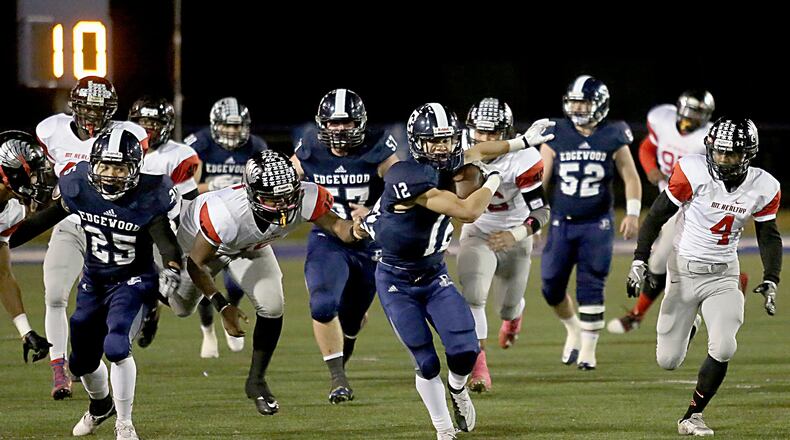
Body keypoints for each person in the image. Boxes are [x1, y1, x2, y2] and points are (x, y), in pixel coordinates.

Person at [363, 102, 553, 439]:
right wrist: (493, 179)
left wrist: (523, 141)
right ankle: (443, 429)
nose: (442, 147)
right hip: (396, 280)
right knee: (426, 361)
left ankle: (457, 389)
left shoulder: (456, 158)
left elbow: (480, 150)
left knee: (465, 351)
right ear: (417, 142)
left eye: (447, 140)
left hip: (432, 274)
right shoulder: (406, 174)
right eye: (434, 141)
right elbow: (468, 211)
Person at [166, 150, 367, 416]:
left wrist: (356, 229)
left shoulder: (306, 197)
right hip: (201, 247)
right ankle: (152, 294)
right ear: (252, 193)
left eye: (288, 196)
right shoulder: (225, 214)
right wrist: (223, 306)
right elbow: (196, 263)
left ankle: (256, 381)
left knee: (272, 305)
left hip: (250, 246)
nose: (283, 205)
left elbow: (338, 226)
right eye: (273, 198)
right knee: (181, 307)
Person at [14, 127, 183, 440]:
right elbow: (43, 220)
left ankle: (125, 423)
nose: (110, 175)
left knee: (116, 346)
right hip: (94, 281)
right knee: (81, 363)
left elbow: (167, 243)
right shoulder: (80, 187)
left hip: (133, 280)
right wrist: (7, 239)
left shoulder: (151, 194)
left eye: (119, 168)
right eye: (105, 166)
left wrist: (172, 269)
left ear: (135, 168)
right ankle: (101, 406)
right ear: (93, 164)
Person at [626, 117, 781, 436]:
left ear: (748, 154)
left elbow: (768, 235)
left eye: (731, 154)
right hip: (683, 272)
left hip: (723, 274)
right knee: (668, 360)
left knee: (724, 347)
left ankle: (692, 416)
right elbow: (656, 216)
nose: (722, 159)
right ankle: (692, 323)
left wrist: (772, 277)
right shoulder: (692, 170)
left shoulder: (763, 186)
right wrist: (640, 260)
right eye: (719, 151)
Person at [34, 75, 147, 399]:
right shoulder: (52, 130)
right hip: (70, 223)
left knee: (114, 307)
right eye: (89, 108)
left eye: (101, 109)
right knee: (55, 294)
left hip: (112, 228)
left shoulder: (127, 135)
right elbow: (45, 174)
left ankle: (103, 361)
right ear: (75, 106)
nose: (94, 115)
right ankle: (59, 369)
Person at [290, 88, 399, 403]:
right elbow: (285, 177)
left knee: (352, 318)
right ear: (322, 124)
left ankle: (345, 352)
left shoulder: (377, 147)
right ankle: (338, 379)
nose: (339, 129)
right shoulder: (310, 147)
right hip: (328, 238)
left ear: (360, 123)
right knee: (323, 304)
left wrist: (375, 211)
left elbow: (402, 187)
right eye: (334, 123)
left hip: (368, 243)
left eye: (347, 122)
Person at [539, 75, 642, 370]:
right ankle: (573, 329)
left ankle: (588, 350)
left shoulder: (613, 134)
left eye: (583, 102)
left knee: (592, 283)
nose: (577, 108)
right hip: (561, 222)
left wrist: (633, 212)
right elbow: (541, 179)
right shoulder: (556, 132)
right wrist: (533, 217)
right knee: (550, 285)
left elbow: (631, 177)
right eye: (574, 102)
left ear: (599, 104)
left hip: (597, 223)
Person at [608, 90, 727, 334]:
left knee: (663, 261)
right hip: (669, 202)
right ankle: (730, 287)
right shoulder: (662, 120)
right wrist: (650, 169)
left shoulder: (708, 139)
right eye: (691, 111)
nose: (693, 118)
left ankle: (643, 315)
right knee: (675, 262)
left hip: (693, 207)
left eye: (699, 113)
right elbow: (646, 147)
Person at [456, 97, 550, 392]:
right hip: (478, 230)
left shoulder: (523, 159)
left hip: (515, 234)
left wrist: (517, 234)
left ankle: (513, 316)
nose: (484, 139)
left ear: (505, 133)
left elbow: (542, 211)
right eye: (480, 132)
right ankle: (478, 367)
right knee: (473, 295)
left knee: (507, 308)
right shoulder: (459, 148)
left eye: (492, 133)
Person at [183, 96, 268, 358]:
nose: (232, 131)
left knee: (236, 283)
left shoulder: (256, 146)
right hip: (205, 222)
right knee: (202, 278)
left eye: (237, 126)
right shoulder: (198, 144)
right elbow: (184, 190)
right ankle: (207, 330)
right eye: (227, 125)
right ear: (215, 125)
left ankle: (231, 309)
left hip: (240, 223)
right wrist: (209, 186)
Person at [129, 96, 200, 347]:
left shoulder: (178, 155)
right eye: (143, 122)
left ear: (166, 126)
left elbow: (189, 202)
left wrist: (188, 241)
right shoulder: (120, 147)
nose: (147, 129)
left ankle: (155, 302)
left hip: (164, 232)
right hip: (127, 230)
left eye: (154, 123)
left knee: (183, 306)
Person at [0, 130, 55, 364]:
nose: (37, 180)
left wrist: (26, 331)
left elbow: (3, 276)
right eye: (32, 173)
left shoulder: (11, 212)